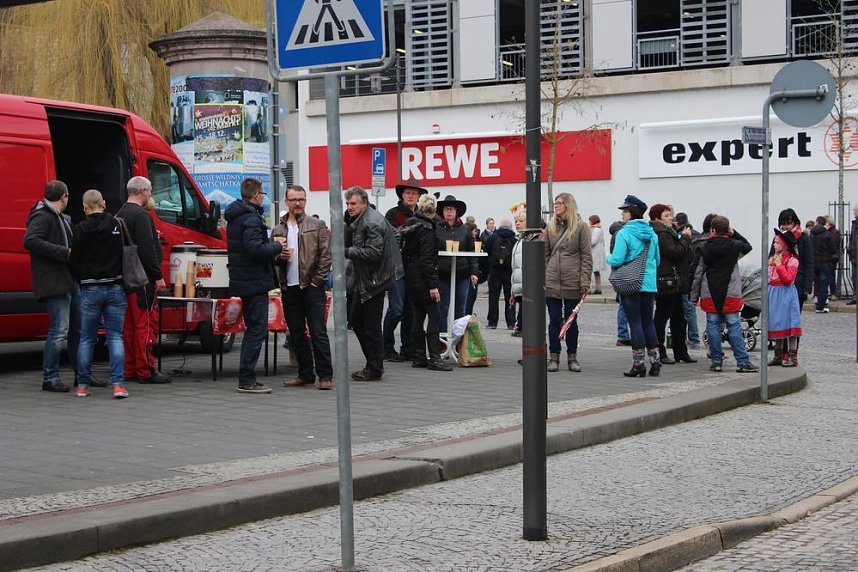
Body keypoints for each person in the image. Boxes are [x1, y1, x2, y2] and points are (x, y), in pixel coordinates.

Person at [225, 177, 285, 394]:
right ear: (256, 195)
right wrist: (277, 246)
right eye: (263, 194)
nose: (263, 198)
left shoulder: (236, 216)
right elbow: (255, 249)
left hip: (244, 279)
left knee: (254, 328)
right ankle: (247, 378)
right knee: (257, 330)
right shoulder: (250, 218)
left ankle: (246, 376)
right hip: (254, 281)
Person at [272, 185, 333, 390]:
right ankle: (305, 374)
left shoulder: (316, 224)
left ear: (305, 201)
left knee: (318, 331)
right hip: (289, 287)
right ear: (286, 202)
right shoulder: (278, 229)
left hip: (311, 286)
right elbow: (272, 257)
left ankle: (325, 376)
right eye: (293, 199)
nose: (298, 203)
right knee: (297, 332)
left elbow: (326, 256)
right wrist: (280, 256)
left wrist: (316, 281)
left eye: (301, 199)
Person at [23, 180, 81, 393]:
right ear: (64, 197)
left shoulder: (60, 218)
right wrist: (64, 253)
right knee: (59, 330)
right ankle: (50, 377)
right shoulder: (43, 216)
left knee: (78, 328)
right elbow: (30, 240)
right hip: (55, 281)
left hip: (68, 279)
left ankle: (81, 374)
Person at [70, 190, 128, 398]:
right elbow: (124, 254)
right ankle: (118, 385)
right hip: (115, 287)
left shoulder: (80, 228)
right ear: (103, 203)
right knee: (115, 336)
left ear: (84, 206)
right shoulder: (116, 225)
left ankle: (82, 386)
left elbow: (74, 261)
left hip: (90, 288)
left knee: (86, 338)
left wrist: (82, 280)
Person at [345, 186, 403, 381]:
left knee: (369, 326)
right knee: (357, 321)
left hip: (374, 281)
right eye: (347, 203)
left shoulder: (371, 221)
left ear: (364, 203)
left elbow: (373, 253)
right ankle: (373, 364)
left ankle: (375, 367)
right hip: (370, 279)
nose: (349, 207)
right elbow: (393, 235)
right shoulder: (366, 218)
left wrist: (345, 251)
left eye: (353, 203)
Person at [116, 176, 170, 385]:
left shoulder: (120, 213)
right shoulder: (142, 216)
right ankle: (146, 370)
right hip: (143, 280)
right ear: (143, 191)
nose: (150, 195)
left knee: (129, 327)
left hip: (126, 279)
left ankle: (130, 368)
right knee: (145, 326)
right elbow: (147, 251)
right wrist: (158, 277)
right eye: (149, 191)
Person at [691, 215, 759, 373]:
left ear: (712, 229)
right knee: (734, 326)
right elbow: (748, 246)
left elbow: (698, 273)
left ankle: (716, 361)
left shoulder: (704, 246)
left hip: (709, 292)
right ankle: (742, 362)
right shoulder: (735, 246)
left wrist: (693, 296)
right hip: (730, 292)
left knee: (713, 327)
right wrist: (733, 233)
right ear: (727, 229)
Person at [607, 195, 660, 377]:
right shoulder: (652, 234)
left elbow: (617, 258)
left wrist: (608, 258)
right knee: (648, 322)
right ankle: (655, 362)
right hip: (649, 284)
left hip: (631, 283)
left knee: (635, 323)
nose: (622, 214)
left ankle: (638, 365)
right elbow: (657, 260)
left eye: (625, 211)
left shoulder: (624, 233)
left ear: (633, 212)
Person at [400, 194, 451, 371]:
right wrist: (433, 285)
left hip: (410, 277)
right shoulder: (428, 229)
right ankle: (435, 358)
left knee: (418, 315)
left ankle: (419, 356)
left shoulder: (410, 224)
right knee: (434, 315)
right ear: (434, 209)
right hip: (423, 277)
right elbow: (427, 260)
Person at [544, 193, 592, 373]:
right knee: (554, 320)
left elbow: (586, 256)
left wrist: (585, 280)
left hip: (573, 280)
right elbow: (546, 254)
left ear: (568, 205)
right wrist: (546, 274)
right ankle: (554, 356)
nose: (556, 206)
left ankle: (572, 356)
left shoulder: (581, 227)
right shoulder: (551, 227)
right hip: (553, 280)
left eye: (559, 203)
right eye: (555, 203)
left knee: (571, 322)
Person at [382, 179, 426, 362]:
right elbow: (391, 236)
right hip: (396, 268)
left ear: (418, 197)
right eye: (408, 193)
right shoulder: (393, 214)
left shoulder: (423, 215)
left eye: (414, 193)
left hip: (414, 268)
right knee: (397, 309)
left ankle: (407, 347)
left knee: (411, 310)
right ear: (402, 195)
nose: (411, 196)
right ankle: (386, 346)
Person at [648, 204, 695, 364]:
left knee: (679, 318)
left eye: (670, 215)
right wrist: (686, 239)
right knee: (662, 317)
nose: (670, 218)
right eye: (666, 215)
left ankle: (680, 351)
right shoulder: (661, 233)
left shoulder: (668, 231)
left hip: (674, 280)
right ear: (657, 218)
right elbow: (675, 252)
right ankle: (659, 351)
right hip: (667, 280)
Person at [435, 195, 479, 333]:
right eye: (446, 209)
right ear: (442, 211)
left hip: (462, 272)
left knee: (461, 308)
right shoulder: (436, 228)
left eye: (452, 209)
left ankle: (458, 341)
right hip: (442, 273)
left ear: (456, 211)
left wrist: (474, 272)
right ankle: (442, 342)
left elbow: (471, 251)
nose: (449, 211)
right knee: (442, 308)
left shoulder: (464, 229)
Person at [767, 229, 802, 367]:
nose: (774, 245)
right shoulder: (773, 259)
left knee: (789, 324)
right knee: (777, 323)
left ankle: (793, 357)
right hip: (774, 293)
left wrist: (780, 265)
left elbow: (788, 279)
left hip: (786, 294)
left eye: (777, 242)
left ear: (784, 245)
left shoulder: (792, 261)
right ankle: (778, 355)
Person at [674, 212, 702, 349]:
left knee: (684, 311)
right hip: (694, 277)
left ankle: (692, 339)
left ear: (677, 224)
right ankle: (694, 339)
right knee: (690, 310)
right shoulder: (697, 234)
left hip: (684, 277)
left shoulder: (679, 236)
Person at [484, 219, 517, 330]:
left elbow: (486, 250)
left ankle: (492, 321)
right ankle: (511, 322)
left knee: (493, 297)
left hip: (495, 270)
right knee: (510, 297)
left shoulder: (493, 237)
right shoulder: (513, 238)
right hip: (509, 271)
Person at [609, 218, 631, 346]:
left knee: (623, 305)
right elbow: (617, 256)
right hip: (625, 272)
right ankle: (623, 335)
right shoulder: (621, 234)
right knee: (624, 305)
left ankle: (623, 335)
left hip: (619, 273)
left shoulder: (616, 233)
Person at [810, 215, 836, 313]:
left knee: (816, 283)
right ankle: (820, 306)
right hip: (825, 262)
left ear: (816, 222)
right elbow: (833, 249)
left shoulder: (811, 234)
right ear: (825, 223)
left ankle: (816, 300)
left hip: (814, 261)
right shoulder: (827, 234)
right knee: (824, 284)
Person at [509, 211, 527, 337]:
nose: (518, 224)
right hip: (519, 284)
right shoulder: (518, 241)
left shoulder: (527, 241)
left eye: (521, 221)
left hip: (525, 284)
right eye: (516, 221)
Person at [588, 215, 606, 295]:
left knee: (590, 270)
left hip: (595, 253)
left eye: (590, 221)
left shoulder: (596, 230)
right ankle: (598, 288)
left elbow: (593, 241)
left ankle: (590, 288)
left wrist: (586, 242)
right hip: (596, 253)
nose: (589, 222)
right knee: (596, 272)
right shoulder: (597, 229)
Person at [825, 216, 841, 300]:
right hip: (825, 256)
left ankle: (833, 293)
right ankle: (827, 293)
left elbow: (833, 244)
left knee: (831, 275)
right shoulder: (827, 232)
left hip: (831, 257)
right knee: (826, 275)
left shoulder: (835, 233)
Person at [848, 205, 858, 305]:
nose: (854, 212)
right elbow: (852, 239)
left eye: (855, 211)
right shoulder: (854, 224)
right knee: (854, 277)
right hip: (854, 254)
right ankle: (855, 295)